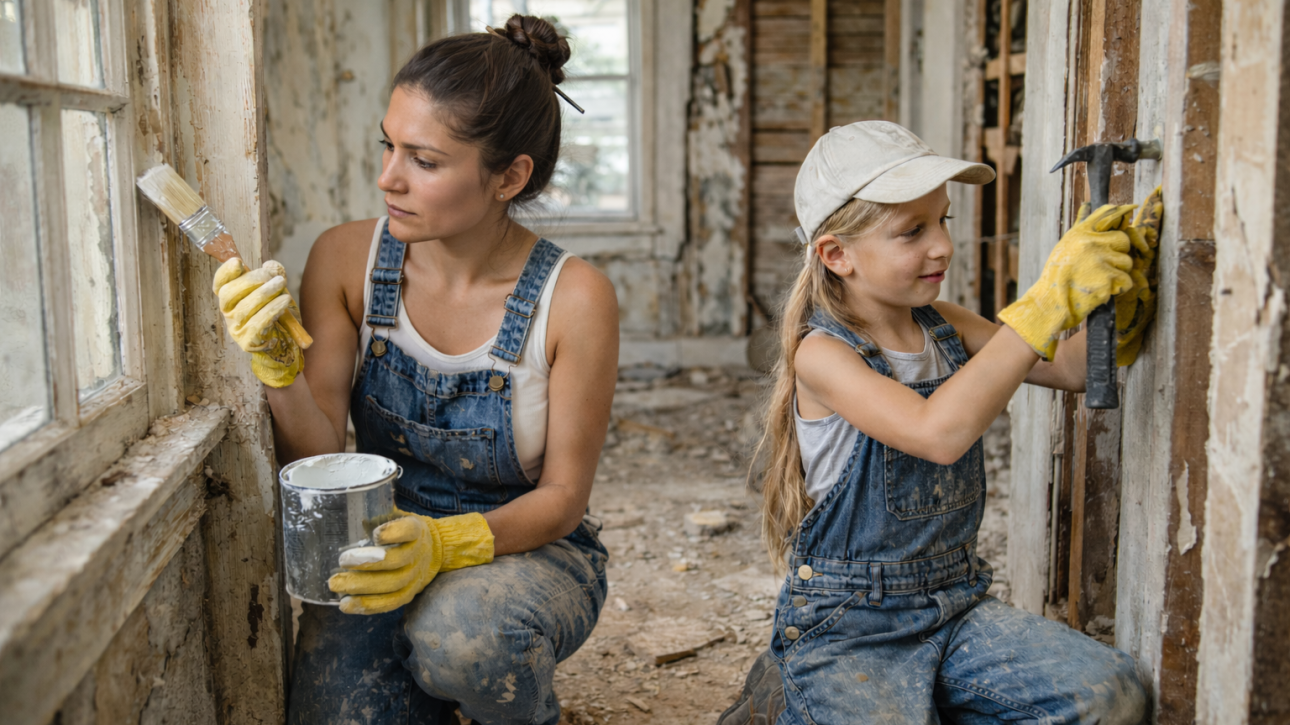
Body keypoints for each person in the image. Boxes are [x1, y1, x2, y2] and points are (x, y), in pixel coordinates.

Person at [210, 15, 619, 724]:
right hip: (376, 546)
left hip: (523, 550)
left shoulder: (575, 298)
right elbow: (317, 454)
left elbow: (563, 499)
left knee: (466, 641)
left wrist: (446, 542)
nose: (387, 177)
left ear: (509, 177)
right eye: (387, 145)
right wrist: (278, 369)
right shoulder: (346, 260)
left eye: (424, 161)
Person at [719, 121, 1160, 724]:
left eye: (943, 221)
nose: (942, 247)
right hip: (850, 625)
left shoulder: (942, 323)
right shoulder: (822, 354)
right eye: (912, 232)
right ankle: (789, 693)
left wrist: (1127, 293)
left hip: (953, 604)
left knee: (1111, 693)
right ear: (836, 255)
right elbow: (937, 434)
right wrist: (1043, 301)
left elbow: (1069, 369)